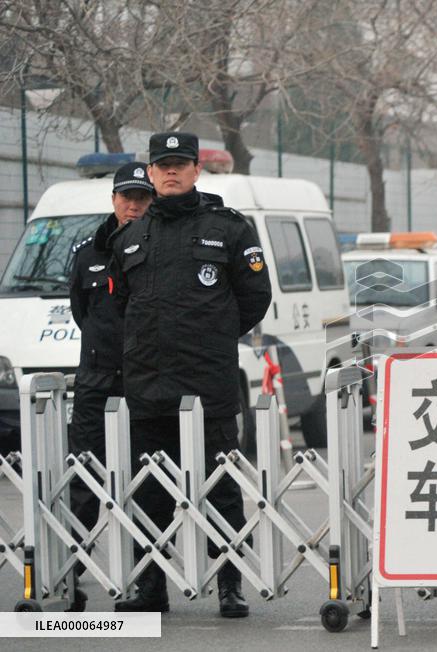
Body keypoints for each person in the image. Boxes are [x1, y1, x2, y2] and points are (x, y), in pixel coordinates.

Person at [110, 132, 271, 616]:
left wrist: (214, 335)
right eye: (163, 165)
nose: (171, 171)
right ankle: (151, 587)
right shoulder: (130, 237)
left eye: (181, 163)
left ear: (197, 170)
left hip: (208, 383)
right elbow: (120, 305)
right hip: (149, 383)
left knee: (220, 487)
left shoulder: (228, 228)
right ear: (152, 173)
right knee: (150, 488)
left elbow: (255, 297)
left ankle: (230, 586)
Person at [68, 162, 154, 565]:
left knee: (145, 473)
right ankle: (75, 557)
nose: (133, 205)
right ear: (114, 200)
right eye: (127, 197)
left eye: (141, 198)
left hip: (142, 380)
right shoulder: (88, 254)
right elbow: (81, 312)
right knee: (84, 473)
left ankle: (146, 560)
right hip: (96, 379)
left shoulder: (158, 249)